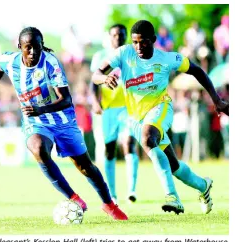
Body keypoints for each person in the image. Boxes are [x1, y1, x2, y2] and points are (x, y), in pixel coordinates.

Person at [0, 26, 128, 220]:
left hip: (62, 119)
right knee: (38, 147)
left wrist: (39, 109)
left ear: (43, 46)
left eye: (37, 47)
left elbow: (66, 99)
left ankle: (109, 204)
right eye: (28, 48)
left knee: (84, 165)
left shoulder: (50, 63)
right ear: (20, 47)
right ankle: (74, 198)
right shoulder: (11, 60)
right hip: (36, 122)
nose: (33, 52)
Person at [92, 20, 229, 215]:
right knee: (173, 165)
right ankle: (203, 185)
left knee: (149, 138)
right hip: (136, 119)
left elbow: (196, 70)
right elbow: (96, 74)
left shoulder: (166, 59)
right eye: (135, 42)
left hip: (161, 108)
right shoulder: (124, 53)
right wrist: (104, 78)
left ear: (154, 40)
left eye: (144, 42)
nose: (139, 47)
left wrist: (216, 99)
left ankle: (172, 197)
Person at [90, 24, 140, 204]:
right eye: (115, 35)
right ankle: (113, 194)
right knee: (109, 150)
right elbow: (93, 83)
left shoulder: (132, 55)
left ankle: (132, 190)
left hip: (128, 108)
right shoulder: (100, 57)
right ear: (109, 36)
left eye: (121, 35)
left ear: (126, 36)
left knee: (128, 143)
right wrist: (95, 102)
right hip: (108, 110)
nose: (118, 37)